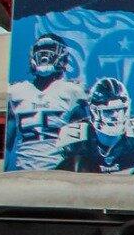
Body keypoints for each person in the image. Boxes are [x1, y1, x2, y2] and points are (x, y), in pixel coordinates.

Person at [5, 34, 89, 172]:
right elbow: (7, 144)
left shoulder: (71, 91)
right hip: (24, 173)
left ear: (62, 55)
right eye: (40, 49)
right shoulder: (16, 92)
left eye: (50, 48)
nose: (44, 54)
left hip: (60, 172)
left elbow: (81, 145)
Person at [78, 76, 134, 173]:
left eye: (119, 110)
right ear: (94, 112)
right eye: (109, 111)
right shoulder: (76, 133)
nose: (115, 116)